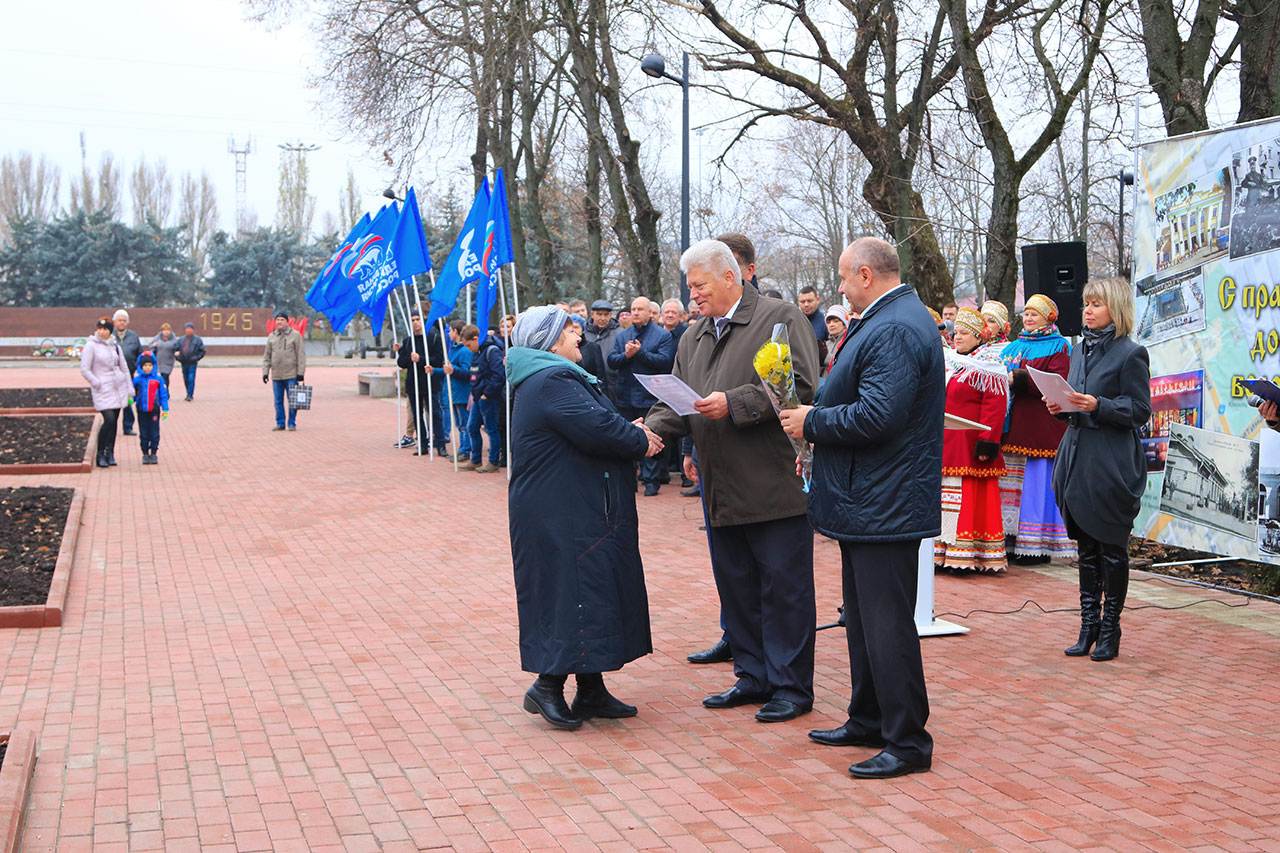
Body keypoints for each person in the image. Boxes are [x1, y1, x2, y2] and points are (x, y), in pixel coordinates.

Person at [780, 236, 941, 780]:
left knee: (887, 624)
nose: (841, 288)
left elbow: (879, 415)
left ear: (867, 274)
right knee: (864, 622)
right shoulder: (887, 318)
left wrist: (812, 422)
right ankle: (869, 717)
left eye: (845, 278)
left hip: (885, 499)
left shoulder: (894, 326)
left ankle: (907, 741)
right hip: (869, 498)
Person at [645, 239, 820, 724]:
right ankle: (752, 675)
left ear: (730, 277)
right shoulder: (693, 336)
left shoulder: (780, 318)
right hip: (719, 487)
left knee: (784, 589)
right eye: (690, 287)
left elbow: (801, 385)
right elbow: (678, 400)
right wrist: (647, 431)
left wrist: (734, 403)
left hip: (772, 484)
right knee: (737, 586)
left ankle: (790, 686)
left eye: (699, 286)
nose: (693, 296)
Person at [506, 305, 663, 730]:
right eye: (568, 329)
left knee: (588, 591)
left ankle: (590, 688)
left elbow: (596, 421)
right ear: (550, 341)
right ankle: (547, 686)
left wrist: (625, 428)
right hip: (559, 512)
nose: (577, 335)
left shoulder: (553, 377)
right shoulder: (551, 379)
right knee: (569, 592)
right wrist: (638, 437)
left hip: (571, 506)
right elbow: (597, 428)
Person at [1050, 277, 1150, 662]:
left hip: (1110, 463)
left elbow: (1139, 411)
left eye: (1096, 304)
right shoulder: (1078, 351)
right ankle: (1087, 625)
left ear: (1116, 309)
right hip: (1077, 459)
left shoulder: (1131, 354)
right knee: (1086, 550)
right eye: (1085, 303)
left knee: (1111, 549)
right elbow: (1076, 401)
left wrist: (1098, 406)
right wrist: (1061, 407)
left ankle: (1111, 628)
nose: (1087, 310)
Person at [1000, 295, 1076, 565]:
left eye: (1035, 314)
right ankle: (1009, 539)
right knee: (1012, 485)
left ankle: (1036, 543)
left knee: (1036, 485)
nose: (1028, 318)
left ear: (1048, 318)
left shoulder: (1059, 346)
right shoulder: (1013, 347)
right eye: (1027, 313)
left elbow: (1057, 381)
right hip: (1013, 425)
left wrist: (1019, 378)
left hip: (1041, 425)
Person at [935, 308, 1009, 573]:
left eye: (964, 333)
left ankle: (966, 554)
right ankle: (944, 550)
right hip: (948, 442)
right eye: (956, 333)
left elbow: (994, 407)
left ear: (979, 337)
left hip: (970, 445)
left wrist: (987, 441)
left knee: (967, 499)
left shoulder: (990, 366)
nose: (957, 338)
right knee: (947, 499)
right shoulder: (951, 362)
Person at [608, 297, 675, 496]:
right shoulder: (622, 336)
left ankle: (651, 481)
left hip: (650, 396)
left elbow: (664, 361)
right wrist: (626, 356)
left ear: (649, 312)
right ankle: (630, 478)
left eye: (640, 309)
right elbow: (612, 360)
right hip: (625, 395)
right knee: (626, 438)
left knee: (651, 436)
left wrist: (639, 353)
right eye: (633, 309)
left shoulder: (662, 335)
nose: (635, 312)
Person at [80, 317, 133, 469]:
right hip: (102, 388)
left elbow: (124, 367)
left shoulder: (115, 346)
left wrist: (129, 387)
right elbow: (85, 369)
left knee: (114, 421)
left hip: (117, 387)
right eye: (100, 328)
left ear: (110, 331)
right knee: (108, 419)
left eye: (106, 329)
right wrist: (96, 382)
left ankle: (110, 453)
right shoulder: (91, 346)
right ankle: (100, 453)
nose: (102, 332)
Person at [396, 311, 447, 456]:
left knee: (435, 413)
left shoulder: (433, 338)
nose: (415, 322)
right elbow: (402, 363)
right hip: (413, 383)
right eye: (412, 320)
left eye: (418, 319)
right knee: (417, 415)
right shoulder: (408, 341)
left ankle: (440, 444)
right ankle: (423, 444)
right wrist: (405, 355)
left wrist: (421, 359)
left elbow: (438, 360)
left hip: (430, 382)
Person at [466, 324, 505, 473]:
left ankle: (493, 461)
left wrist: (487, 393)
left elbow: (499, 375)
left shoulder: (491, 351)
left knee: (491, 428)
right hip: (478, 397)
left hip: (489, 397)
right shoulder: (478, 352)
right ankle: (475, 459)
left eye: (469, 345)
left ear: (476, 339)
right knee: (472, 427)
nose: (469, 348)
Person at [436, 321, 475, 466]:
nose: (448, 334)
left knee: (465, 424)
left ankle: (466, 450)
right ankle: (463, 449)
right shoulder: (453, 349)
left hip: (462, 393)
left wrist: (454, 370)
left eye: (450, 331)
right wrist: (434, 371)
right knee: (460, 424)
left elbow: (467, 372)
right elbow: (449, 370)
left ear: (456, 332)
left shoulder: (464, 351)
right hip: (454, 392)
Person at [262, 312, 306, 432]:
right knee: (278, 401)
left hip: (291, 374)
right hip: (276, 375)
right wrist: (265, 372)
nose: (279, 322)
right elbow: (267, 356)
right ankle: (280, 423)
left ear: (287, 321)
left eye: (282, 320)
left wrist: (301, 373)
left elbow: (301, 355)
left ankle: (291, 423)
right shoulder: (271, 336)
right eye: (277, 320)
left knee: (293, 401)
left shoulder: (295, 335)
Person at [131, 353, 170, 465]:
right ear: (140, 366)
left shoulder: (158, 379)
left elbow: (163, 394)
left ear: (153, 366)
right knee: (143, 432)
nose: (147, 367)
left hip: (154, 410)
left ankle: (153, 452)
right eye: (145, 365)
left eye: (149, 365)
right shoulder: (137, 380)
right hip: (141, 410)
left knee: (154, 431)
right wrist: (130, 400)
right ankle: (145, 453)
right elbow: (132, 393)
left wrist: (165, 409)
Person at [112, 309, 141, 435]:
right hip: (112, 376)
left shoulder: (133, 336)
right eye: (119, 320)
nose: (122, 323)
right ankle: (111, 425)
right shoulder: (109, 336)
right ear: (114, 322)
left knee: (128, 401)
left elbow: (139, 354)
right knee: (112, 402)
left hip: (129, 374)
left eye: (124, 320)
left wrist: (139, 368)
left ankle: (128, 427)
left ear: (127, 322)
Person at [175, 322, 205, 402]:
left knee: (191, 378)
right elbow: (176, 349)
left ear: (193, 330)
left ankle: (190, 395)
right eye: (187, 329)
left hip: (192, 362)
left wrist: (196, 358)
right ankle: (188, 392)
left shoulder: (198, 340)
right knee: (185, 378)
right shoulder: (181, 340)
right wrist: (178, 357)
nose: (188, 330)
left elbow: (202, 351)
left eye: (190, 329)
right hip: (183, 362)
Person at [821, 305, 849, 380]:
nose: (831, 325)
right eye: (828, 322)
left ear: (844, 323)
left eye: (836, 321)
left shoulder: (849, 341)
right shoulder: (825, 344)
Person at [149, 323, 180, 389]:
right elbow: (150, 345)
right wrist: (154, 345)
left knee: (165, 376)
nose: (166, 332)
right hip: (159, 361)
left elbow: (177, 347)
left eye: (168, 330)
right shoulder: (157, 338)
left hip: (169, 361)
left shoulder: (174, 339)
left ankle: (165, 391)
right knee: (160, 377)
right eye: (164, 330)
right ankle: (162, 391)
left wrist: (176, 352)